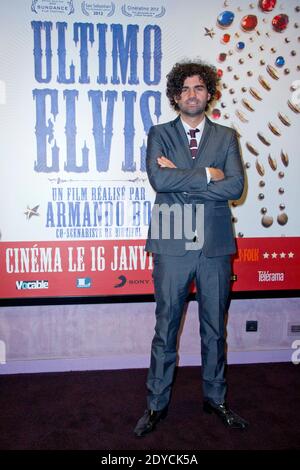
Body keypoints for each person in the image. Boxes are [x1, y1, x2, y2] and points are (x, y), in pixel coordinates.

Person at [133, 60, 248, 437]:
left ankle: (216, 399)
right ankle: (155, 405)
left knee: (215, 329)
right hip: (172, 240)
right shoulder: (160, 134)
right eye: (185, 89)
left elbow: (235, 188)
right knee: (166, 327)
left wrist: (182, 180)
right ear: (175, 96)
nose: (192, 94)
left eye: (199, 87)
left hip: (214, 243)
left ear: (209, 93)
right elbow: (158, 179)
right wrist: (206, 174)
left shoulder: (226, 136)